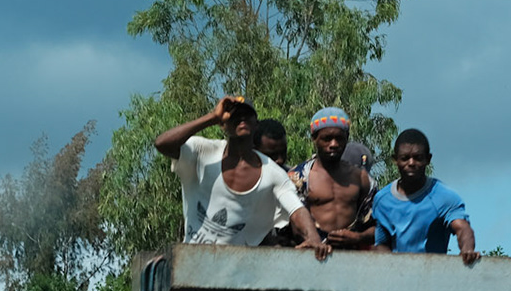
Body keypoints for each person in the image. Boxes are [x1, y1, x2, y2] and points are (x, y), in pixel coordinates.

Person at [153, 97, 330, 257]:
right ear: (223, 125)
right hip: (193, 261)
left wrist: (314, 239)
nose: (242, 119)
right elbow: (162, 144)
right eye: (235, 116)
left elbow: (297, 210)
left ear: (256, 124)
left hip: (236, 268)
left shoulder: (273, 173)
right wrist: (213, 117)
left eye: (247, 115)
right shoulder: (202, 151)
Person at [370, 129, 478, 263]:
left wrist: (467, 249)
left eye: (418, 158)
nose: (411, 163)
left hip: (433, 272)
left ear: (428, 159)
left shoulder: (443, 197)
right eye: (405, 158)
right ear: (395, 160)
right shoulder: (382, 200)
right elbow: (382, 244)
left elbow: (462, 228)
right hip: (397, 272)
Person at [285, 107, 376, 250]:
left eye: (339, 138)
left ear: (347, 137)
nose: (333, 144)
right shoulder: (298, 177)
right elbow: (290, 222)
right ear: (314, 138)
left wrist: (356, 237)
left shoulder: (362, 179)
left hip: (350, 256)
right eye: (327, 139)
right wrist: (312, 240)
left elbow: (377, 226)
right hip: (309, 254)